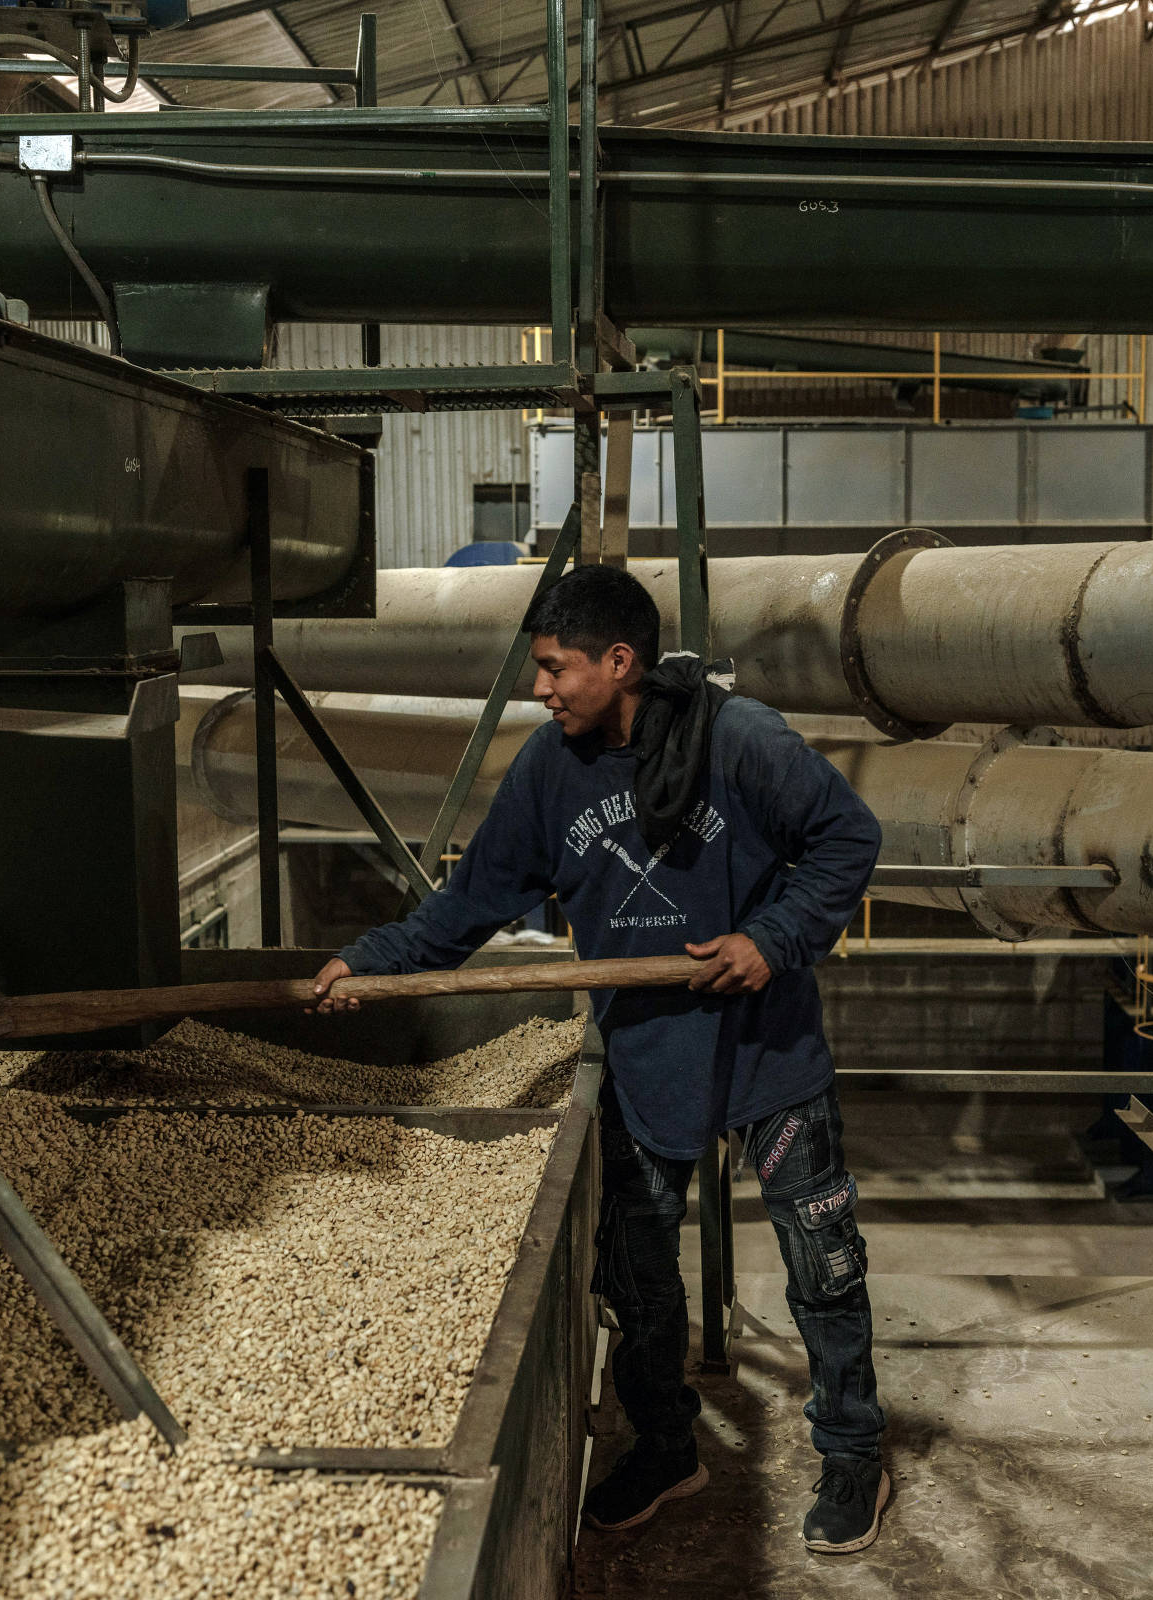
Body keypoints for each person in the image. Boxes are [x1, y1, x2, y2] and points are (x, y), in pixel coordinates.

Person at [308, 563, 891, 1553]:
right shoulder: (550, 771)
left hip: (765, 1052)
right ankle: (668, 1445)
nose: (539, 688)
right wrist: (371, 962)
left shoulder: (736, 739)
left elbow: (848, 836)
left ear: (618, 662)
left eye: (553, 668)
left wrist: (771, 939)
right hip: (646, 1057)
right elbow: (468, 905)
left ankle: (852, 1454)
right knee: (639, 1278)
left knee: (822, 1266)